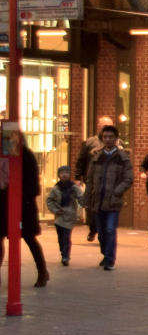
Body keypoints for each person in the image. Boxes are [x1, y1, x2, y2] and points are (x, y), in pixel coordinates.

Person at [0, 131, 50, 287]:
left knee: (29, 238)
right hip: (2, 204)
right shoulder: (3, 156)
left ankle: (42, 271)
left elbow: (33, 183)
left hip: (23, 204)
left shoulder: (27, 156)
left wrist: (23, 196)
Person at [84, 123, 134, 271]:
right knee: (101, 232)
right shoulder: (96, 157)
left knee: (110, 229)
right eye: (105, 137)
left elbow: (128, 179)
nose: (107, 139)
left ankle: (110, 260)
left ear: (116, 139)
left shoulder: (123, 158)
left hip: (113, 200)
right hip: (98, 199)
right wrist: (86, 198)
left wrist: (117, 192)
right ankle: (105, 254)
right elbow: (90, 179)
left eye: (111, 137)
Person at [74, 116, 114, 242]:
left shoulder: (117, 143)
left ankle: (104, 231)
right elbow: (81, 161)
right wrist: (77, 177)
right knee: (92, 207)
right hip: (92, 180)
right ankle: (93, 229)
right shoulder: (90, 142)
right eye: (104, 126)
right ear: (98, 126)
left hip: (109, 181)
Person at [45, 166, 83, 266]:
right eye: (62, 173)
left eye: (67, 172)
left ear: (70, 174)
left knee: (66, 237)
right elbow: (49, 200)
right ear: (58, 175)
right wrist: (55, 210)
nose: (64, 174)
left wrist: (85, 205)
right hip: (59, 217)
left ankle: (65, 256)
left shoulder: (74, 187)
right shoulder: (56, 188)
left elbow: (81, 197)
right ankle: (63, 252)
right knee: (61, 237)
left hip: (69, 216)